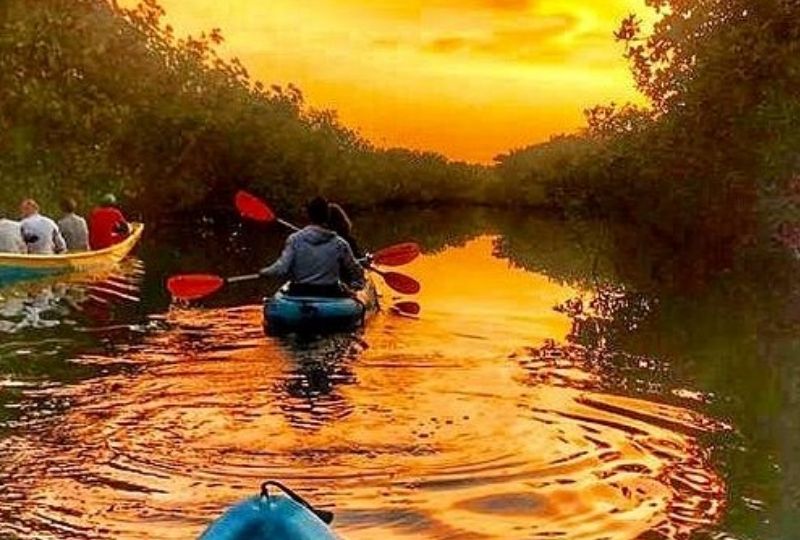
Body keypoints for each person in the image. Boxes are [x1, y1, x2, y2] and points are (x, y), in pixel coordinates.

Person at [260, 197, 365, 297]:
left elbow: (281, 269)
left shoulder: (294, 239)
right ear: (327, 216)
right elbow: (356, 270)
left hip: (299, 292)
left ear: (308, 215)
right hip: (330, 293)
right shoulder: (340, 243)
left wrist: (265, 272)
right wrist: (357, 285)